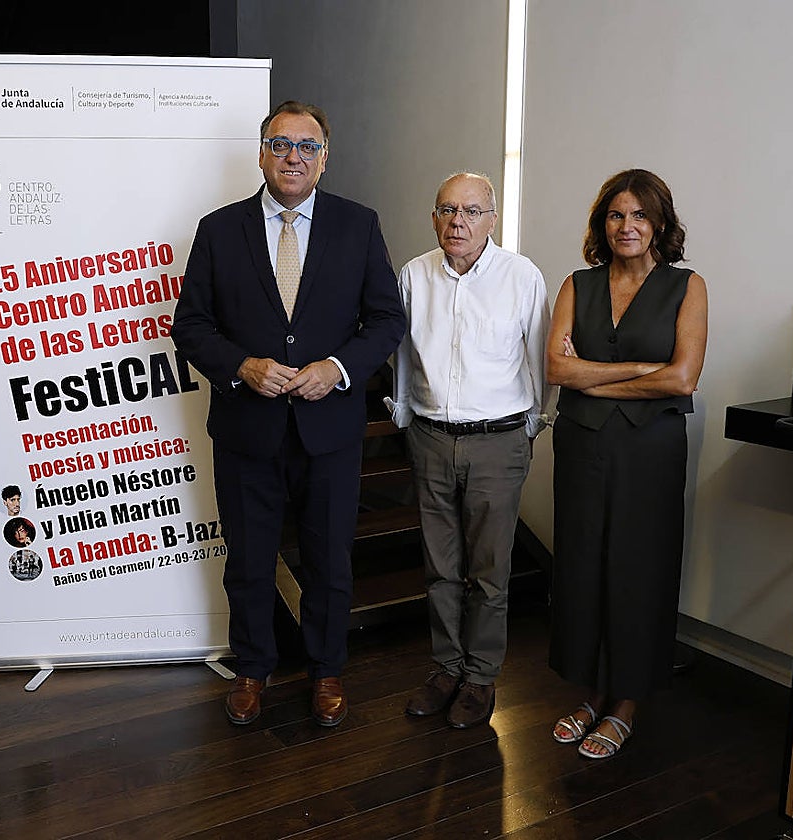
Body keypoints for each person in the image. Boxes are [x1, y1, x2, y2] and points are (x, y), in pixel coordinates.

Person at [172, 101, 405, 727]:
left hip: (329, 428)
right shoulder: (219, 230)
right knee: (248, 559)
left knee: (330, 560)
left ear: (325, 157)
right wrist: (241, 366)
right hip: (248, 427)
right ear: (262, 153)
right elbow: (189, 327)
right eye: (281, 145)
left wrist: (338, 368)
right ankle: (253, 669)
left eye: (307, 146)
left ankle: (327, 670)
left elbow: (386, 320)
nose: (293, 156)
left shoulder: (358, 225)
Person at [546, 168, 707, 759]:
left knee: (640, 567)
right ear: (602, 223)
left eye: (639, 215)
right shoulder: (577, 285)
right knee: (585, 564)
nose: (627, 226)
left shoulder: (687, 287)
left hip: (651, 451)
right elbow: (558, 371)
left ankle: (627, 703)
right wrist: (642, 372)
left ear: (660, 222)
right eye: (616, 215)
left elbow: (683, 376)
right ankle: (592, 694)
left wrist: (597, 380)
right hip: (583, 447)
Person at [390, 172, 550, 729]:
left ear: (492, 218)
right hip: (431, 437)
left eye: (472, 211)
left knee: (488, 572)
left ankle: (480, 677)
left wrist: (528, 427)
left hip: (498, 441)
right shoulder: (414, 274)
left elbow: (539, 359)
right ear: (434, 216)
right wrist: (405, 414)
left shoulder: (520, 276)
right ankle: (445, 667)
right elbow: (404, 355)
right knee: (439, 566)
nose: (458, 221)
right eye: (447, 209)